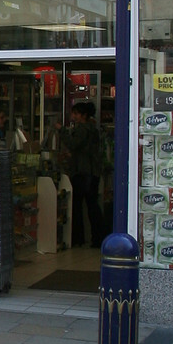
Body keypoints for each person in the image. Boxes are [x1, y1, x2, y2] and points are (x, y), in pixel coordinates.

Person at [64, 102, 105, 248]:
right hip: (92, 172)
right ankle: (98, 237)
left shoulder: (82, 130)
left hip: (82, 172)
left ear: (83, 115)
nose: (73, 117)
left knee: (78, 206)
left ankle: (78, 238)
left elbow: (73, 144)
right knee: (92, 206)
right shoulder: (93, 129)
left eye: (76, 114)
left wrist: (61, 131)